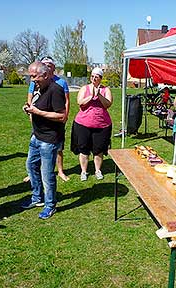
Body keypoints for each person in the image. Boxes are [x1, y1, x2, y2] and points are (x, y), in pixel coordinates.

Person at [22, 61, 67, 219]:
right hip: (36, 136)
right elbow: (36, 107)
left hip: (49, 139)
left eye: (35, 76)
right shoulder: (38, 88)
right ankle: (37, 198)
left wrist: (38, 112)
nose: (32, 80)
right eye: (30, 76)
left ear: (46, 75)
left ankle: (50, 205)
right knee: (31, 166)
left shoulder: (56, 90)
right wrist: (29, 109)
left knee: (47, 174)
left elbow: (62, 116)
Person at [23, 56, 70, 182]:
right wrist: (30, 111)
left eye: (49, 65)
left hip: (52, 132)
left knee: (58, 149)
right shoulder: (37, 83)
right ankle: (34, 180)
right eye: (45, 64)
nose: (32, 79)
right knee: (33, 162)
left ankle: (60, 171)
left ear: (53, 68)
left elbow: (66, 102)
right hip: (39, 130)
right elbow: (31, 98)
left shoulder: (59, 84)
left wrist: (65, 117)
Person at [71, 67, 113, 181]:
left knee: (98, 150)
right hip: (83, 124)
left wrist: (99, 95)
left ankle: (98, 170)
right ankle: (84, 171)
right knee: (83, 149)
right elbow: (80, 102)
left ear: (100, 79)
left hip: (102, 125)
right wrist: (91, 96)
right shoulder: (85, 88)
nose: (94, 78)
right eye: (92, 76)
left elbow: (108, 104)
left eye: (96, 77)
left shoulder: (106, 90)